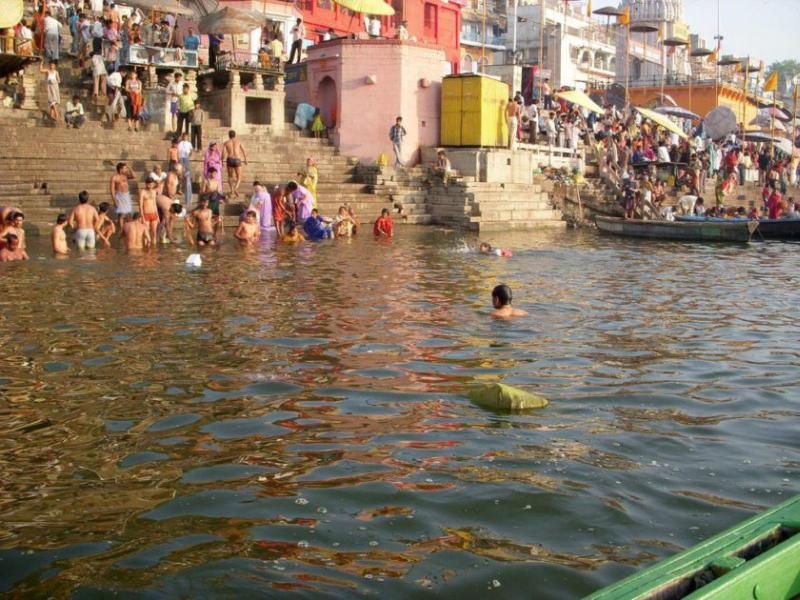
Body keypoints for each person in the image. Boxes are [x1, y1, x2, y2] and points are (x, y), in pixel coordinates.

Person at [222, 130, 247, 199]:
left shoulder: (226, 143)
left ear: (229, 135)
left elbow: (223, 153)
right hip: (237, 159)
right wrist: (245, 159)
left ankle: (232, 190)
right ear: (235, 135)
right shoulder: (239, 142)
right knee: (239, 177)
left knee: (230, 177)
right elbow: (244, 150)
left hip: (230, 159)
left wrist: (221, 160)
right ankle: (236, 188)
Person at [110, 161, 133, 231]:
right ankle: (122, 230)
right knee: (122, 214)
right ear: (120, 169)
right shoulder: (114, 177)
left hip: (127, 195)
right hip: (119, 196)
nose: (126, 170)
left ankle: (128, 229)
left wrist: (129, 168)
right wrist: (115, 200)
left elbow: (134, 176)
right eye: (125, 168)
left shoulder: (125, 176)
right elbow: (112, 190)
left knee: (129, 214)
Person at [138, 177, 160, 242]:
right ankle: (146, 249)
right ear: (146, 184)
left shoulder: (154, 192)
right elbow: (140, 205)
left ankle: (154, 250)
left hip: (154, 214)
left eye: (151, 185)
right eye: (149, 185)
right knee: (146, 234)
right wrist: (142, 216)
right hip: (146, 214)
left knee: (154, 233)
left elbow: (155, 204)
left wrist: (158, 215)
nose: (150, 186)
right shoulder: (142, 192)